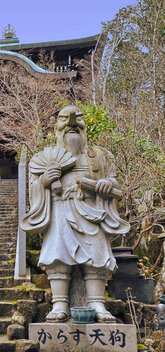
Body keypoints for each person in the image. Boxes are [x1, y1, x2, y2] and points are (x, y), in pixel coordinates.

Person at [21, 106, 129, 323]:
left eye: (78, 119)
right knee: (57, 256)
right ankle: (60, 302)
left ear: (85, 126)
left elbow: (115, 181)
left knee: (97, 257)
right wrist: (44, 181)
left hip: (92, 211)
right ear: (56, 128)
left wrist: (106, 185)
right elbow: (33, 189)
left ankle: (97, 302)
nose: (72, 124)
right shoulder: (46, 158)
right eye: (64, 120)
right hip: (60, 210)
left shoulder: (100, 156)